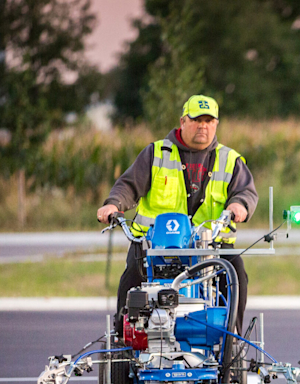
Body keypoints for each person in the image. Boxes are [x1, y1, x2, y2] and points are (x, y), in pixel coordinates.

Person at [97, 95, 258, 333]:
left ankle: (231, 342)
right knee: (132, 277)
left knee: (237, 276)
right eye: (196, 120)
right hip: (155, 244)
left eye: (209, 120)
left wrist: (240, 205)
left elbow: (245, 192)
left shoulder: (230, 160)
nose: (203, 125)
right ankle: (124, 338)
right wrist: (113, 204)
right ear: (182, 121)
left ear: (216, 124)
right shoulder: (156, 153)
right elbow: (129, 185)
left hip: (211, 244)